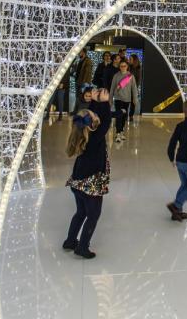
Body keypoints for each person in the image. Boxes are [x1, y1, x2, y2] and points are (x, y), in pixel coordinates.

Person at [63, 90, 112, 259]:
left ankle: (70, 241)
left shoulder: (81, 133)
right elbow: (105, 122)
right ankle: (82, 247)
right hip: (91, 184)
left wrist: (96, 100)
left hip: (77, 183)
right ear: (92, 124)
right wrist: (105, 102)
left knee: (80, 212)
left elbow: (91, 116)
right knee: (93, 215)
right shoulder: (95, 137)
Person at [109, 60, 138, 143]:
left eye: (124, 66)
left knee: (124, 116)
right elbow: (112, 88)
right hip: (118, 99)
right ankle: (118, 133)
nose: (122, 67)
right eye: (121, 66)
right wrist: (110, 99)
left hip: (127, 99)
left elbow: (134, 89)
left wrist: (135, 99)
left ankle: (121, 131)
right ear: (119, 66)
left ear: (127, 66)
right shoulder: (116, 76)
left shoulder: (131, 76)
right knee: (119, 115)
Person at [127, 54, 142, 120]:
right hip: (126, 88)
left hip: (133, 88)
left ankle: (131, 116)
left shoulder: (138, 68)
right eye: (129, 59)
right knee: (126, 102)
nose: (129, 60)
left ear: (134, 60)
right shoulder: (128, 67)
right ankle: (124, 115)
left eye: (130, 59)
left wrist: (134, 88)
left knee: (133, 103)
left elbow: (138, 80)